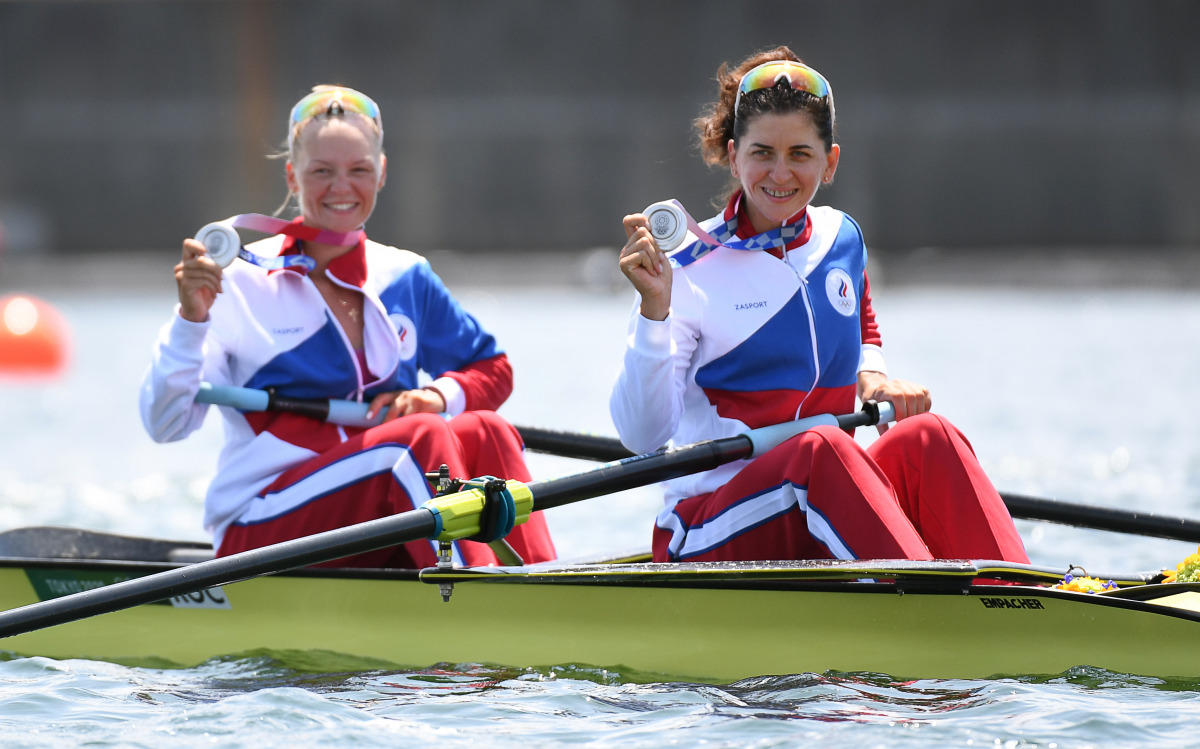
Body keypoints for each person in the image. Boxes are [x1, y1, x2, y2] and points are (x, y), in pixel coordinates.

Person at [610, 48, 1029, 565]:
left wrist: (873, 377)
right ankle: (930, 605)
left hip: (818, 495)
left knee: (929, 437)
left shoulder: (841, 239)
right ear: (733, 152)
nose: (780, 174)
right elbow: (641, 435)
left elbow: (862, 323)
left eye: (800, 155)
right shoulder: (687, 271)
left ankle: (1019, 596)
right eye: (762, 152)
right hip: (707, 525)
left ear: (829, 162)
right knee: (821, 449)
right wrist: (655, 310)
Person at [140, 85, 555, 568]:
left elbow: (493, 369)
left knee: (487, 431)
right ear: (293, 177)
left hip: (372, 512)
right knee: (416, 441)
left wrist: (437, 396)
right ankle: (483, 597)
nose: (341, 188)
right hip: (263, 525)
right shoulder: (236, 284)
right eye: (322, 172)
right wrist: (192, 318)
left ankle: (547, 583)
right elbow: (165, 424)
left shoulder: (405, 276)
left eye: (358, 170)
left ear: (381, 174)